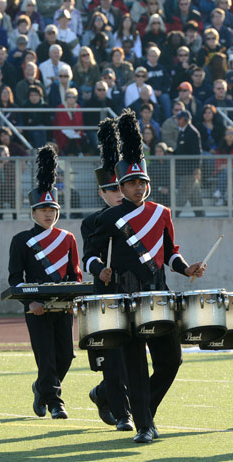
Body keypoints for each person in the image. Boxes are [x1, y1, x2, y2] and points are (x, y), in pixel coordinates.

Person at [82, 109, 206, 443]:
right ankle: (145, 426)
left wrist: (186, 268)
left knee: (171, 360)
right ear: (122, 186)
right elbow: (89, 256)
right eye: (132, 183)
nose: (138, 188)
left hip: (158, 294)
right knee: (135, 363)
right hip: (124, 296)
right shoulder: (108, 218)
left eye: (142, 182)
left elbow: (170, 253)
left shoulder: (162, 214)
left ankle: (142, 410)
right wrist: (100, 269)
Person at [8, 146, 82, 421]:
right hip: (36, 307)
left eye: (52, 209)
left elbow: (74, 275)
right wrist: (31, 302)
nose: (49, 214)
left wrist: (73, 299)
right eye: (43, 209)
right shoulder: (21, 240)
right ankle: (55, 402)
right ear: (33, 212)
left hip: (62, 307)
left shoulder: (68, 238)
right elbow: (16, 279)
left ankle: (41, 388)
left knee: (65, 357)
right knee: (46, 357)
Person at [82, 118, 133, 431]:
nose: (118, 193)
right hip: (106, 292)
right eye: (111, 189)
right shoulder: (93, 221)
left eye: (121, 187)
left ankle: (103, 394)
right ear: (102, 193)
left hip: (135, 291)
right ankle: (122, 413)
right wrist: (100, 270)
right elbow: (89, 257)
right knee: (113, 359)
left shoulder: (143, 215)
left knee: (134, 359)